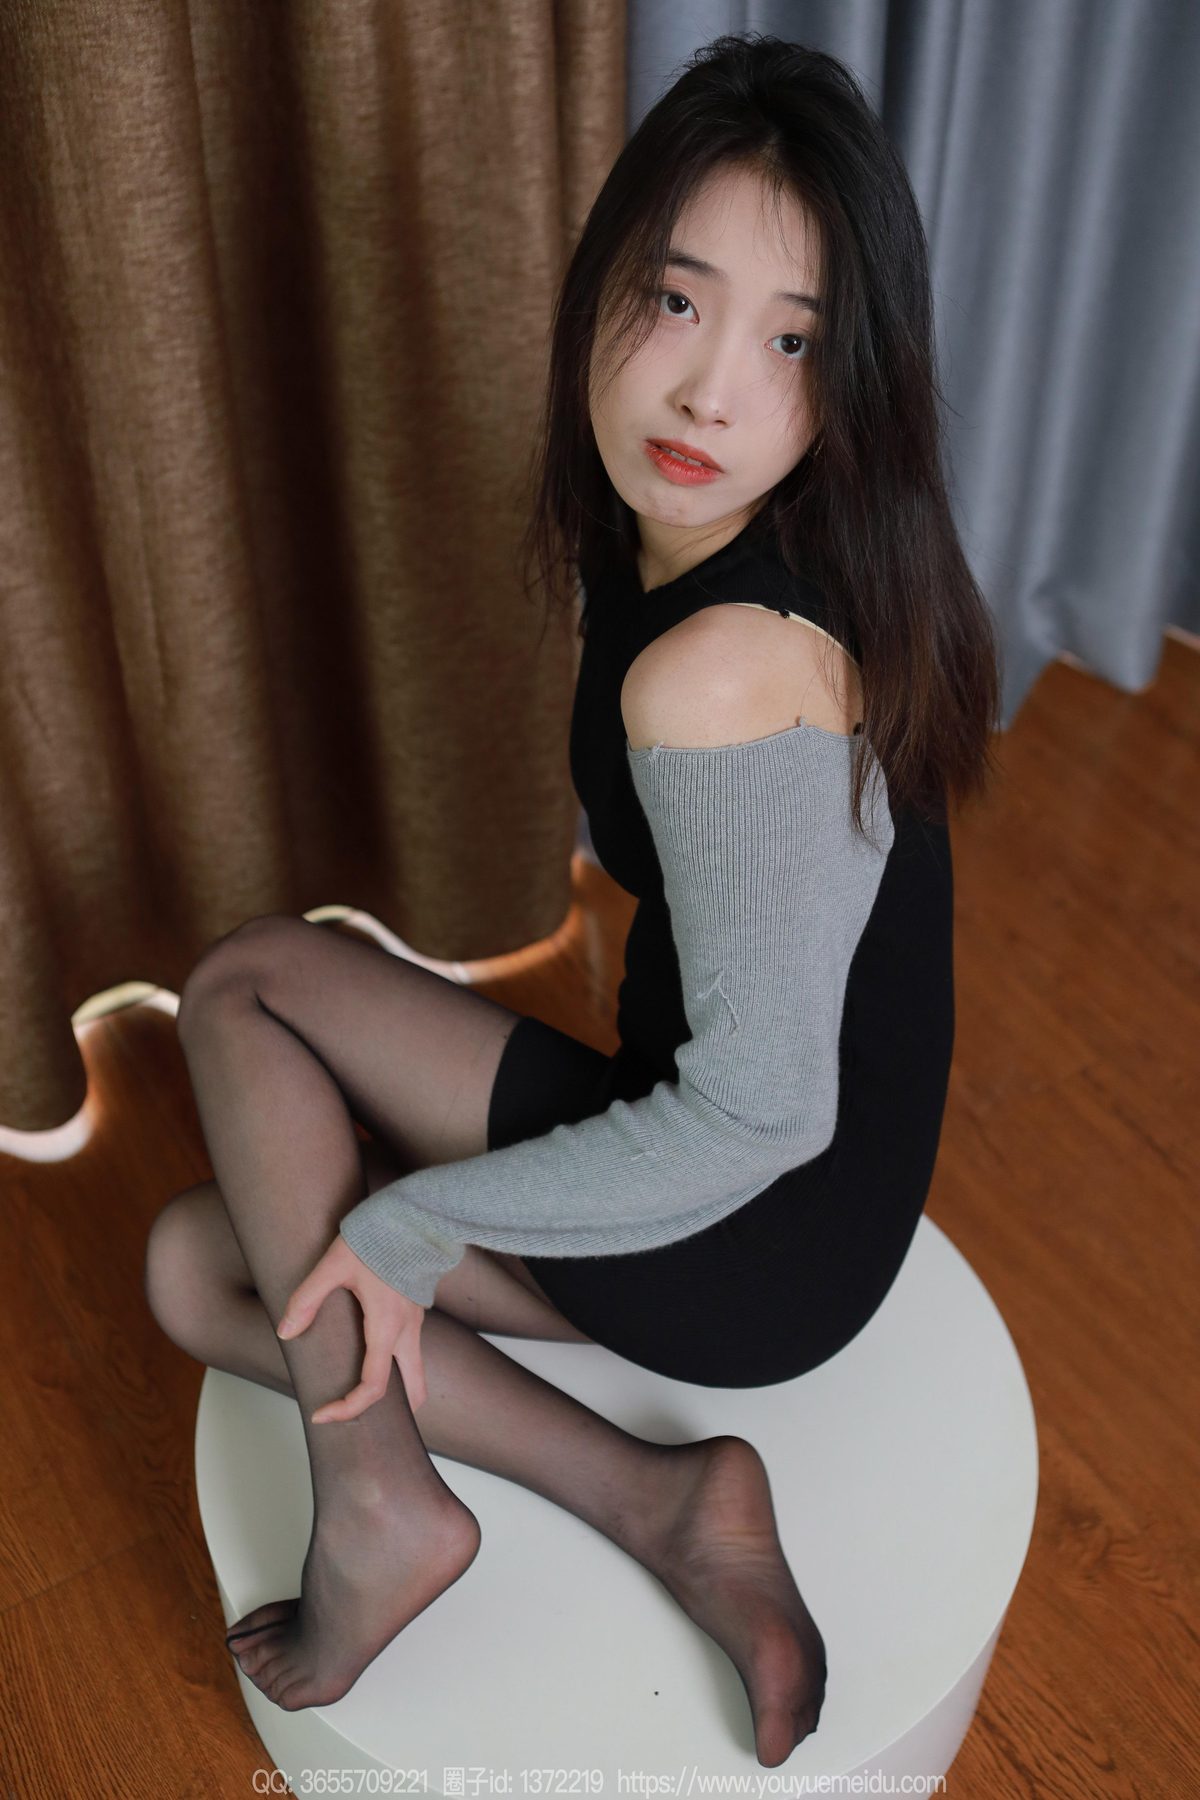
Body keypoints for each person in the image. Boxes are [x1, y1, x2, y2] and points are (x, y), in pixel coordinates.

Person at [143, 32, 1001, 1769]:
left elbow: (762, 1112)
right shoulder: (698, 540)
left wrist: (410, 1224)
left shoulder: (727, 665)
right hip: (731, 1138)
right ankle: (657, 1495)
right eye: (677, 303)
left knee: (245, 1012)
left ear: (848, 384)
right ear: (603, 281)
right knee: (189, 1263)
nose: (708, 395)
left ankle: (378, 1505)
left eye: (791, 343)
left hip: (758, 1220)